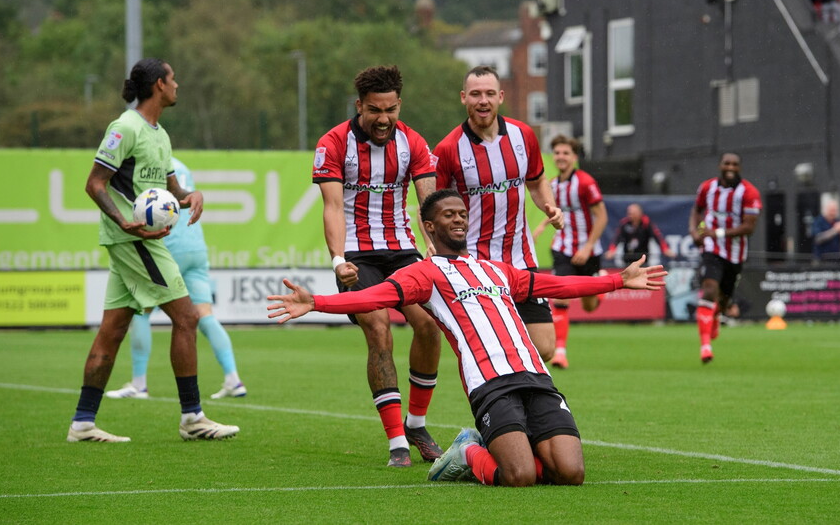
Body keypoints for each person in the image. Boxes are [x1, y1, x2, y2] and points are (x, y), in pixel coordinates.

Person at [266, 189, 667, 487]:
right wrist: (316, 301)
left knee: (572, 473)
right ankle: (467, 451)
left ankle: (518, 440)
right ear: (429, 226)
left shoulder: (497, 270)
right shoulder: (425, 273)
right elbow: (376, 297)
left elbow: (557, 286)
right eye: (447, 215)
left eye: (462, 213)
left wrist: (617, 280)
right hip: (490, 384)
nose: (458, 219)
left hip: (536, 376)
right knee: (520, 476)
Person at [68, 58, 238, 442]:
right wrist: (123, 220)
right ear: (159, 85)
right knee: (187, 317)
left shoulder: (159, 133)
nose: (178, 85)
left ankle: (82, 422)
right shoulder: (124, 127)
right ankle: (193, 417)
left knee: (112, 331)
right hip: (133, 239)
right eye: (173, 79)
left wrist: (189, 195)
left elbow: (170, 187)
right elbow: (95, 183)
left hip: (136, 238)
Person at [313, 65, 442, 468]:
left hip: (403, 252)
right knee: (379, 327)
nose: (383, 119)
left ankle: (417, 424)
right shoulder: (334, 143)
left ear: (399, 104)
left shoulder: (413, 143)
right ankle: (396, 441)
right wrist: (338, 261)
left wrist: (434, 250)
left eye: (390, 109)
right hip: (356, 255)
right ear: (359, 106)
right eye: (374, 110)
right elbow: (332, 207)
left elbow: (427, 206)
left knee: (428, 325)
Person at [433, 65, 564, 362]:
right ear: (463, 98)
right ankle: (505, 403)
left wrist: (549, 206)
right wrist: (436, 247)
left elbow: (537, 180)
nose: (483, 101)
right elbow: (433, 205)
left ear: (501, 97)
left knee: (544, 347)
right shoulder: (448, 148)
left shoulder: (523, 135)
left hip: (521, 259)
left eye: (490, 94)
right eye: (476, 94)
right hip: (476, 264)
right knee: (495, 348)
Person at [105, 158, 247, 401]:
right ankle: (233, 378)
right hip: (195, 247)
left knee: (142, 311)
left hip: (168, 246)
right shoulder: (181, 166)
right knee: (205, 315)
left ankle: (139, 383)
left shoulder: (146, 165)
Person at [532, 135, 607, 369]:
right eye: (557, 153)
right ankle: (560, 353)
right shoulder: (552, 184)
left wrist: (587, 247)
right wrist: (541, 227)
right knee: (560, 297)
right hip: (562, 247)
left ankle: (599, 291)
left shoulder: (585, 182)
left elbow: (602, 217)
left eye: (565, 153)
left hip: (588, 249)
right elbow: (555, 212)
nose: (560, 157)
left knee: (588, 306)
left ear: (574, 157)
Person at [688, 152, 761, 364]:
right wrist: (695, 231)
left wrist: (717, 233)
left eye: (735, 164)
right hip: (711, 249)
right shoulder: (707, 188)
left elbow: (749, 227)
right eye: (727, 163)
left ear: (740, 167)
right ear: (720, 165)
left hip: (735, 253)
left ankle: (717, 316)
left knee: (723, 299)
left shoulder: (749, 192)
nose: (730, 167)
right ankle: (705, 347)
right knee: (709, 289)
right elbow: (697, 210)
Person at [605, 203, 676, 265]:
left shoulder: (647, 223)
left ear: (639, 213)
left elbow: (657, 237)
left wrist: (665, 249)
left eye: (632, 213)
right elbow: (617, 238)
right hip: (627, 258)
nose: (630, 215)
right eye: (629, 213)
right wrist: (612, 250)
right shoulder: (624, 223)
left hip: (643, 259)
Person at [811, 199, 840, 264]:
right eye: (831, 210)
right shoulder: (818, 221)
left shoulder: (838, 220)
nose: (833, 213)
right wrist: (835, 230)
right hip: (822, 260)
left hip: (837, 260)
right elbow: (818, 239)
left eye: (835, 210)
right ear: (826, 210)